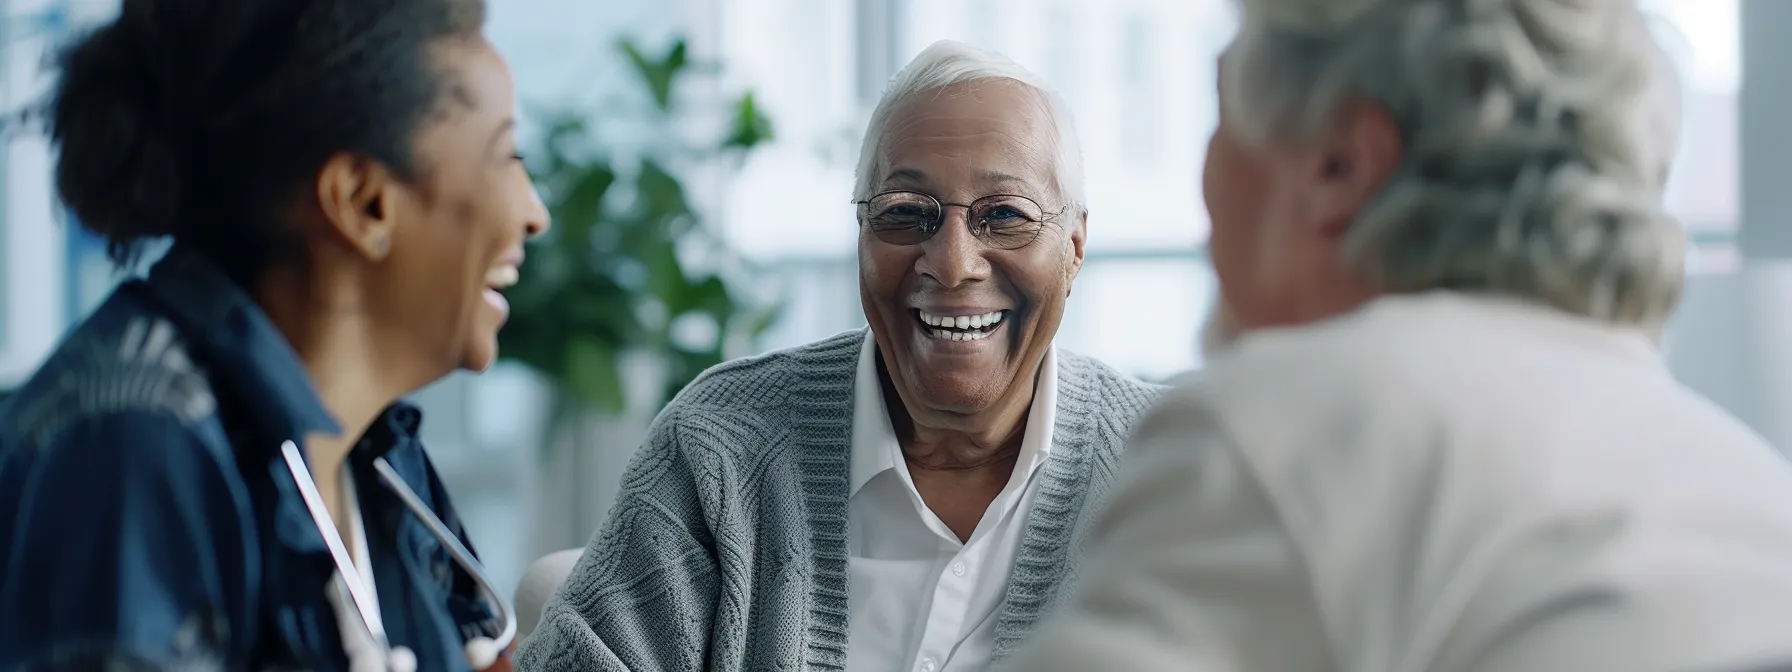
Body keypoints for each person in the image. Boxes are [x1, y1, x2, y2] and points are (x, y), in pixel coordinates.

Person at [1004, 0, 1792, 670]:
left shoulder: (1289, 425)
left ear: (1339, 167)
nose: (1205, 176)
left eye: (1222, 110)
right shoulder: (1745, 477)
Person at [518, 40, 1164, 671]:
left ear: (1074, 246)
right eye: (906, 212)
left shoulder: (1177, 468)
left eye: (1004, 215)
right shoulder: (721, 444)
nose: (952, 263)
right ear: (861, 233)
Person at [0, 0, 549, 670]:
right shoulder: (133, 439)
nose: (533, 213)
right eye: (506, 158)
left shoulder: (380, 460)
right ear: (363, 201)